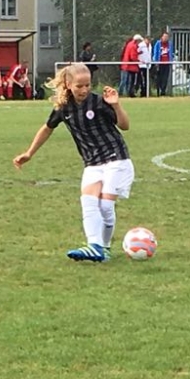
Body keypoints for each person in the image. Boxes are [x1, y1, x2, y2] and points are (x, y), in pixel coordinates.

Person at [12, 63, 134, 262]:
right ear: (68, 84)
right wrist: (29, 153)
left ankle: (103, 247)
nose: (84, 90)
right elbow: (47, 128)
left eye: (87, 85)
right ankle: (95, 246)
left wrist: (116, 105)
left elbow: (125, 125)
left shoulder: (98, 102)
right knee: (88, 201)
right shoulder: (63, 107)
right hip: (92, 163)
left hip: (116, 159)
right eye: (79, 86)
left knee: (105, 206)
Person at [152, 33, 174, 97]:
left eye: (167, 37)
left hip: (167, 64)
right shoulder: (158, 43)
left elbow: (171, 53)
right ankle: (158, 91)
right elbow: (155, 53)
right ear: (162, 37)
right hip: (160, 64)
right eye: (164, 36)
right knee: (159, 78)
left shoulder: (170, 44)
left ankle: (163, 91)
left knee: (165, 78)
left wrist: (171, 59)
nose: (166, 38)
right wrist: (156, 62)